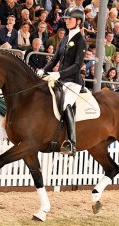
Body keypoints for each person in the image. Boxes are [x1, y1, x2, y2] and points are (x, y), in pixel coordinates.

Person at [40, 7, 87, 156]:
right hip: (59, 78)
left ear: (78, 21)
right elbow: (54, 59)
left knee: (66, 103)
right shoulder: (65, 39)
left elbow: (77, 66)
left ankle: (71, 143)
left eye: (69, 19)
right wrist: (43, 70)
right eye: (65, 19)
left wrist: (59, 74)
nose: (66, 21)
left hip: (73, 81)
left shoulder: (81, 41)